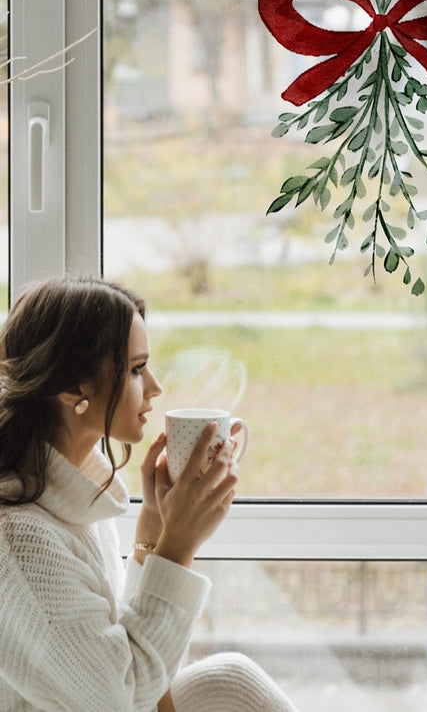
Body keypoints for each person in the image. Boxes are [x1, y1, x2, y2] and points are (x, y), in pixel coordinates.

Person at [0, 275, 299, 712]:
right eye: (137, 369)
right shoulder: (21, 541)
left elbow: (117, 649)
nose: (155, 388)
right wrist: (177, 548)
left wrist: (152, 538)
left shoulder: (70, 502)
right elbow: (122, 697)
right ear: (73, 388)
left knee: (233, 681)